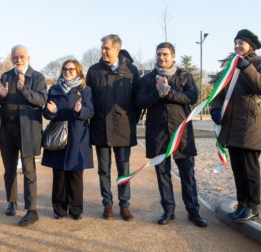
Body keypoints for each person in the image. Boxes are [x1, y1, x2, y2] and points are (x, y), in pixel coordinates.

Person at [136, 42, 207, 228]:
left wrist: (169, 92)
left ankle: (193, 211)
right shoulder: (148, 79)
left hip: (181, 133)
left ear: (173, 56)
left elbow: (191, 97)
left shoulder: (184, 76)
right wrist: (157, 93)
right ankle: (168, 209)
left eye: (165, 54)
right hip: (157, 133)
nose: (161, 57)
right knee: (162, 174)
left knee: (188, 174)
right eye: (158, 54)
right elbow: (140, 101)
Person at [86, 34, 141, 221]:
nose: (103, 51)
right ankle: (107, 204)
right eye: (102, 47)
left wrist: (132, 119)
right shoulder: (93, 71)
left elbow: (137, 100)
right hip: (100, 126)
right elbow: (89, 99)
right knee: (103, 169)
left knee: (123, 169)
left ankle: (124, 205)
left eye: (106, 48)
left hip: (123, 128)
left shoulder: (132, 71)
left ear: (117, 49)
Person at [0, 45, 47, 226]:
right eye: (15, 57)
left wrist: (23, 89)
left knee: (29, 171)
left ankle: (32, 210)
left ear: (28, 57)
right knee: (9, 169)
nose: (18, 59)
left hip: (27, 130)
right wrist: (2, 96)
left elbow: (41, 101)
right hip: (7, 129)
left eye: (21, 56)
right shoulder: (6, 76)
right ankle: (11, 202)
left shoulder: (37, 77)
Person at [210, 29, 261, 222]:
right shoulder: (231, 66)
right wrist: (215, 109)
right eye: (236, 42)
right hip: (231, 126)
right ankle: (242, 203)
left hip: (250, 126)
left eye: (242, 42)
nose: (238, 46)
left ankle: (253, 206)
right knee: (238, 169)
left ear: (251, 46)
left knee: (250, 170)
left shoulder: (258, 63)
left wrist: (247, 67)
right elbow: (219, 93)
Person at [42, 60, 94, 220]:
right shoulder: (54, 89)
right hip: (58, 136)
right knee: (59, 175)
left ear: (78, 71)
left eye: (71, 69)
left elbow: (90, 111)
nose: (67, 71)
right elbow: (47, 112)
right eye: (65, 69)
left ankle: (76, 210)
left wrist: (79, 110)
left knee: (76, 175)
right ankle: (59, 209)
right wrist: (50, 112)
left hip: (78, 137)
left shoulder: (85, 90)